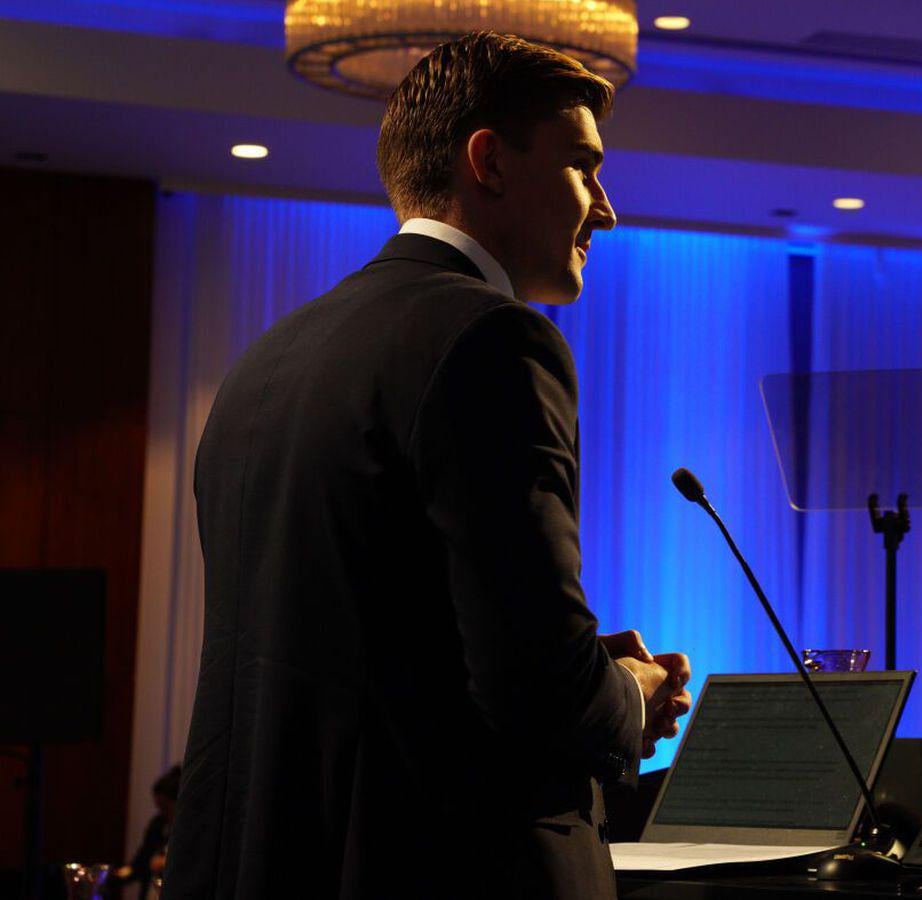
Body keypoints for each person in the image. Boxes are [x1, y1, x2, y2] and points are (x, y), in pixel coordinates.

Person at [163, 32, 691, 900]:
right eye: (582, 166)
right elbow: (531, 689)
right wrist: (629, 694)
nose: (605, 208)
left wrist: (579, 662)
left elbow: (360, 642)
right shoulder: (495, 339)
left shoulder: (268, 358)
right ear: (489, 162)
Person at [113, 766, 180, 898]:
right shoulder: (158, 824)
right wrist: (117, 875)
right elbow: (141, 861)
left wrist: (166, 862)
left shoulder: (188, 831)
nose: (162, 813)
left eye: (165, 808)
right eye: (159, 807)